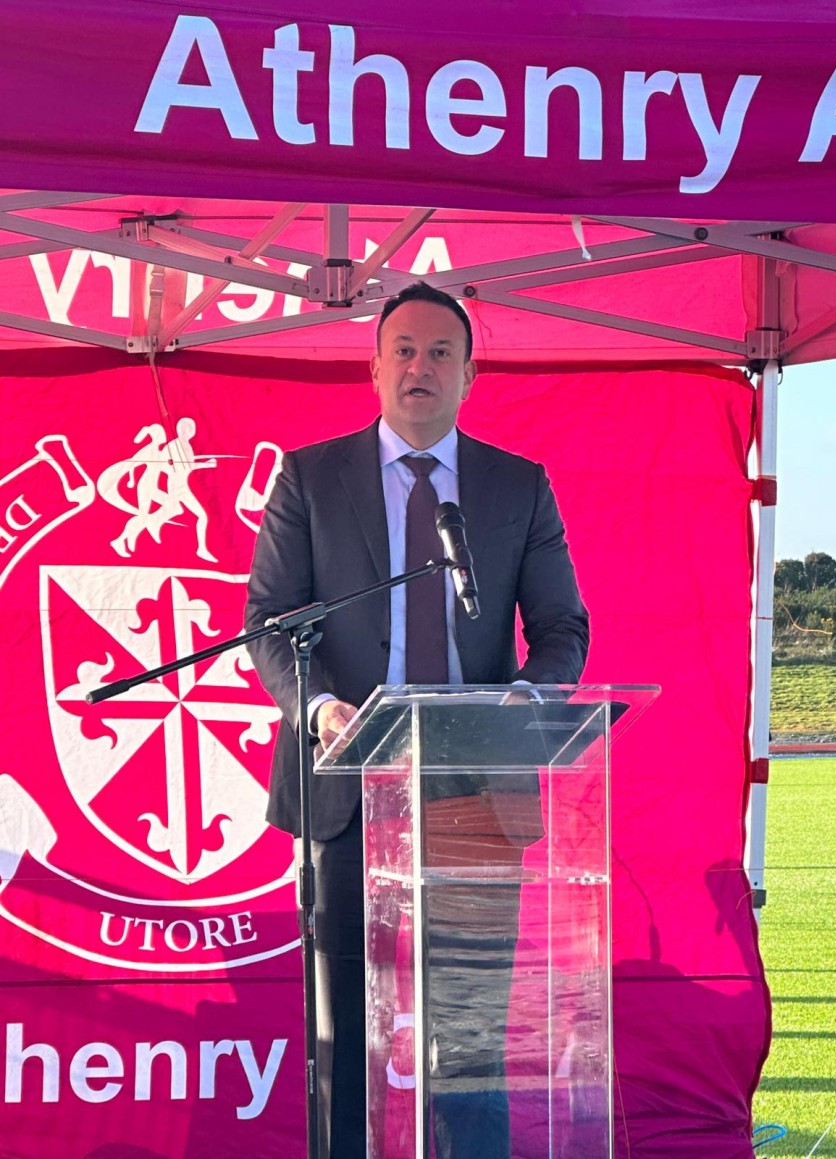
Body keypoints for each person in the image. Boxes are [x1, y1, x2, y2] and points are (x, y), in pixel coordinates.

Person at [245, 282, 590, 1159]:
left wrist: (532, 695)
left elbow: (561, 628)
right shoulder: (310, 477)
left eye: (440, 352)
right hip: (347, 792)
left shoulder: (519, 486)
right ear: (374, 368)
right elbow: (271, 620)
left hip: (473, 796)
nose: (419, 367)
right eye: (403, 349)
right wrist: (319, 708)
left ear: (470, 375)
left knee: (466, 1039)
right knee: (348, 1037)